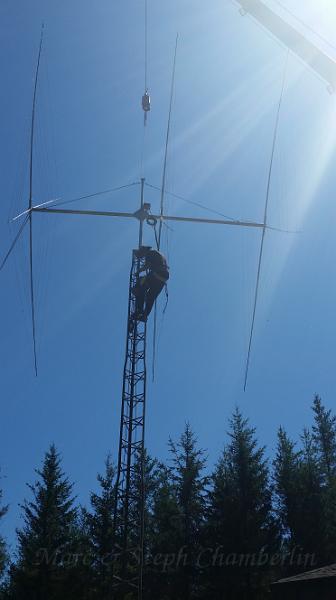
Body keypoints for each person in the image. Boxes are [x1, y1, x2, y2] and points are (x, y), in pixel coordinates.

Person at [133, 247, 169, 321]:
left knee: (140, 286)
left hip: (156, 274)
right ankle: (144, 315)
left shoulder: (150, 253)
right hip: (163, 279)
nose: (142, 258)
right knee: (150, 296)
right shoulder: (158, 253)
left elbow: (147, 266)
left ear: (143, 252)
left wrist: (138, 271)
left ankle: (139, 311)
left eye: (141, 256)